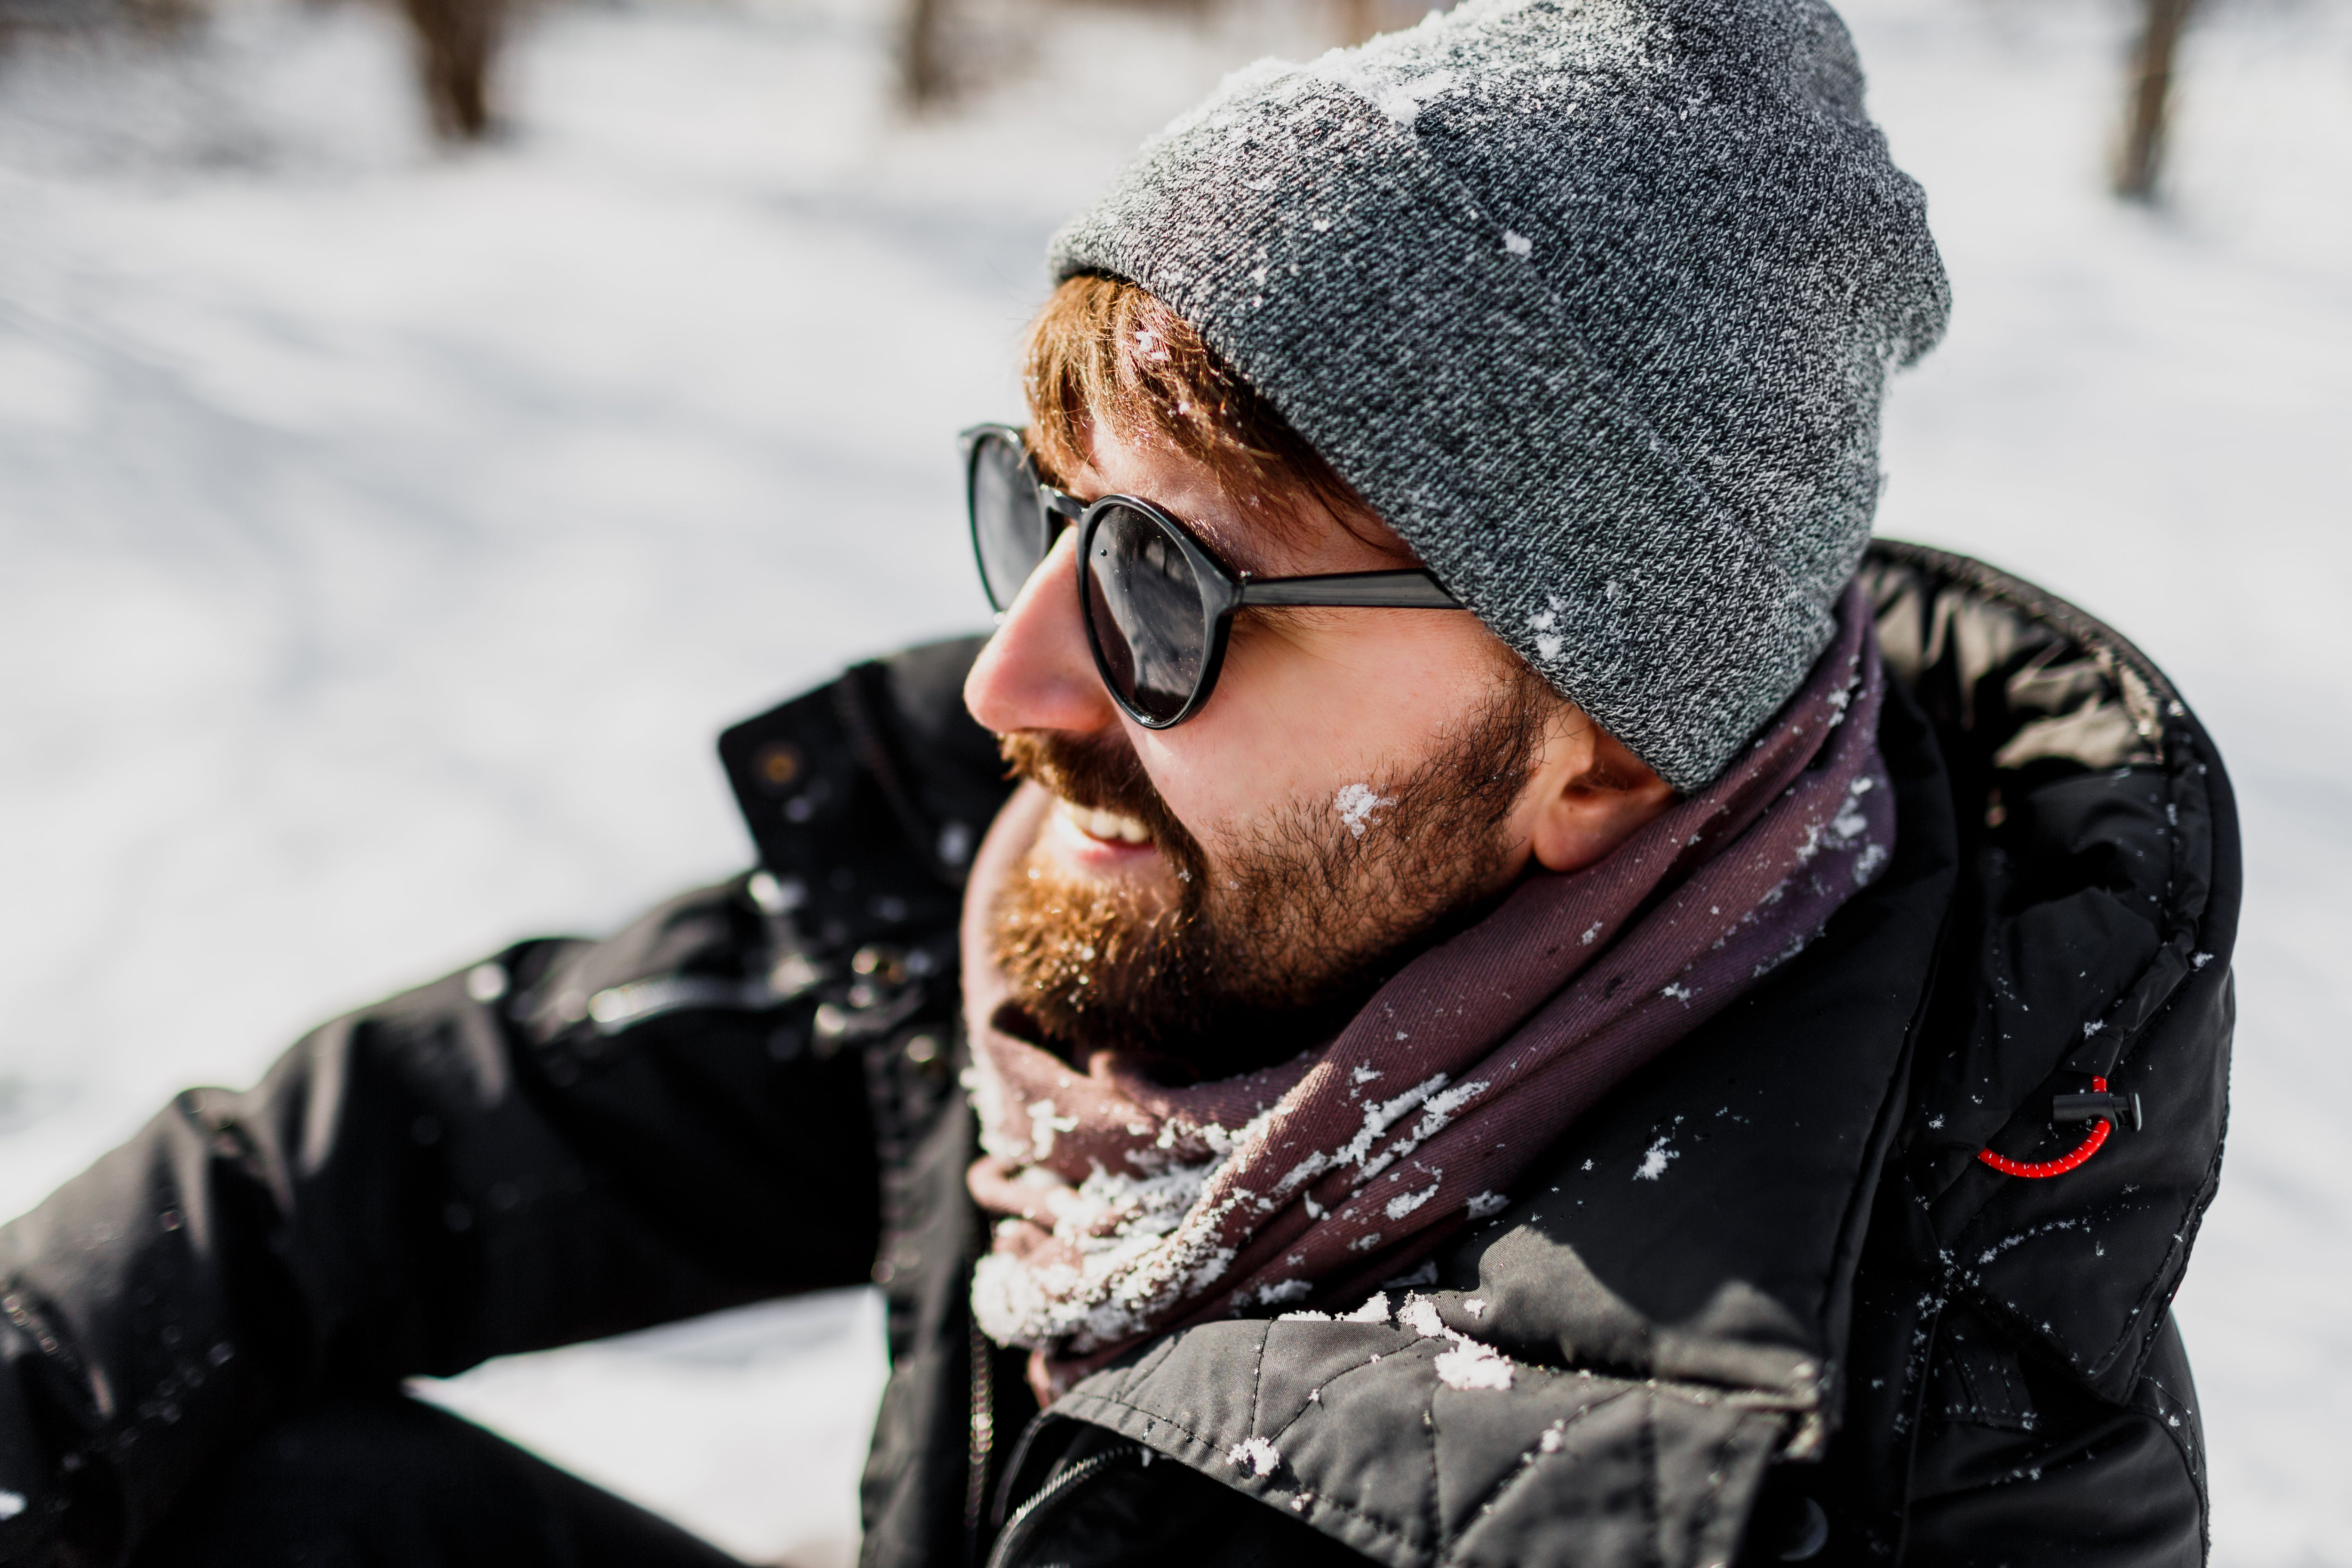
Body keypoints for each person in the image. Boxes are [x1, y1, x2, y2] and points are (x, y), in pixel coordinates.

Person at [0, 1, 2234, 1564]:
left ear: (1599, 748)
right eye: (1044, 508)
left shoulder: (1853, 1475)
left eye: (1176, 584)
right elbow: (371, 1163)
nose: (1014, 672)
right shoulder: (1144, 938)